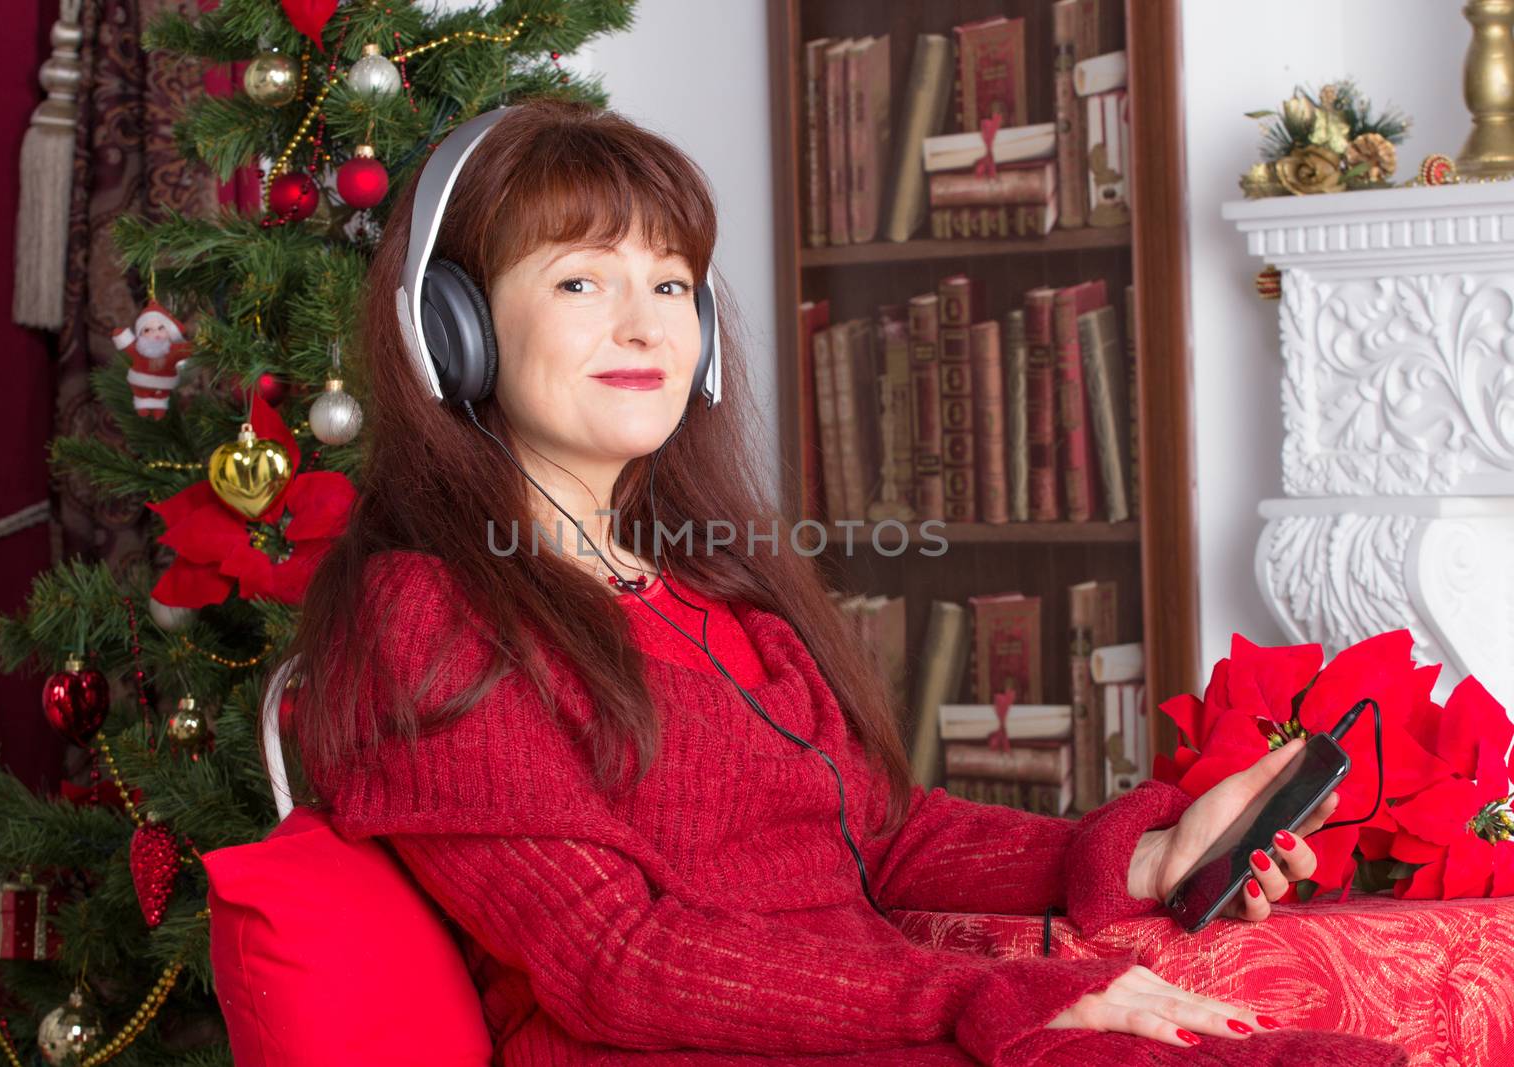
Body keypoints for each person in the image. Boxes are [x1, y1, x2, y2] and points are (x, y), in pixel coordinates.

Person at [284, 98, 1404, 1066]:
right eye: (581, 278)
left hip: (864, 1024)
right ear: (456, 332)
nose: (643, 325)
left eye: (671, 285)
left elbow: (883, 838)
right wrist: (983, 996)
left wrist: (1144, 853)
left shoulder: (710, 593)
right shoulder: (427, 616)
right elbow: (610, 958)